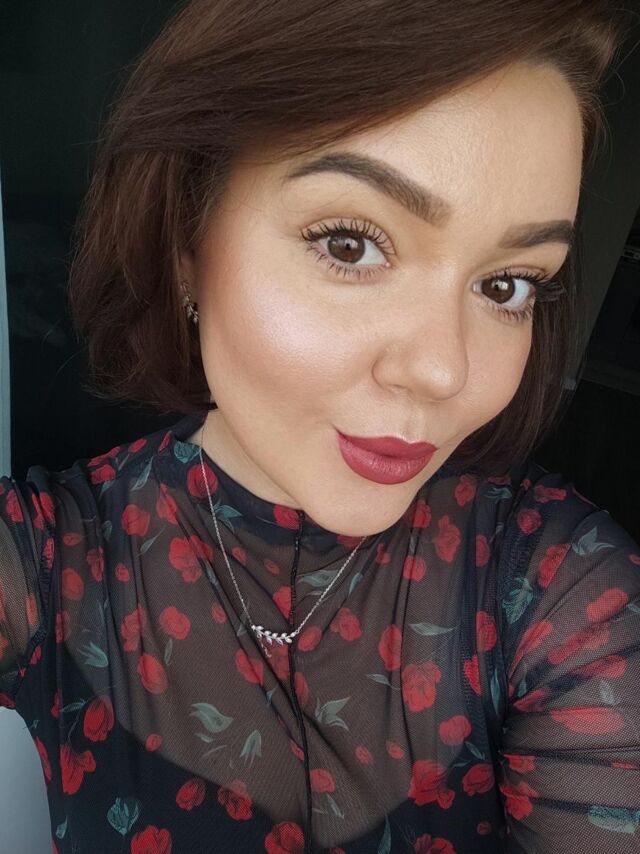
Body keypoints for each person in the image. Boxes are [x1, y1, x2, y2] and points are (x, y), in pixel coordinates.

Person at [1, 0, 639, 851]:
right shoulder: (48, 559)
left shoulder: (558, 588)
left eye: (506, 285)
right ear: (186, 241)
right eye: (349, 245)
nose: (444, 370)